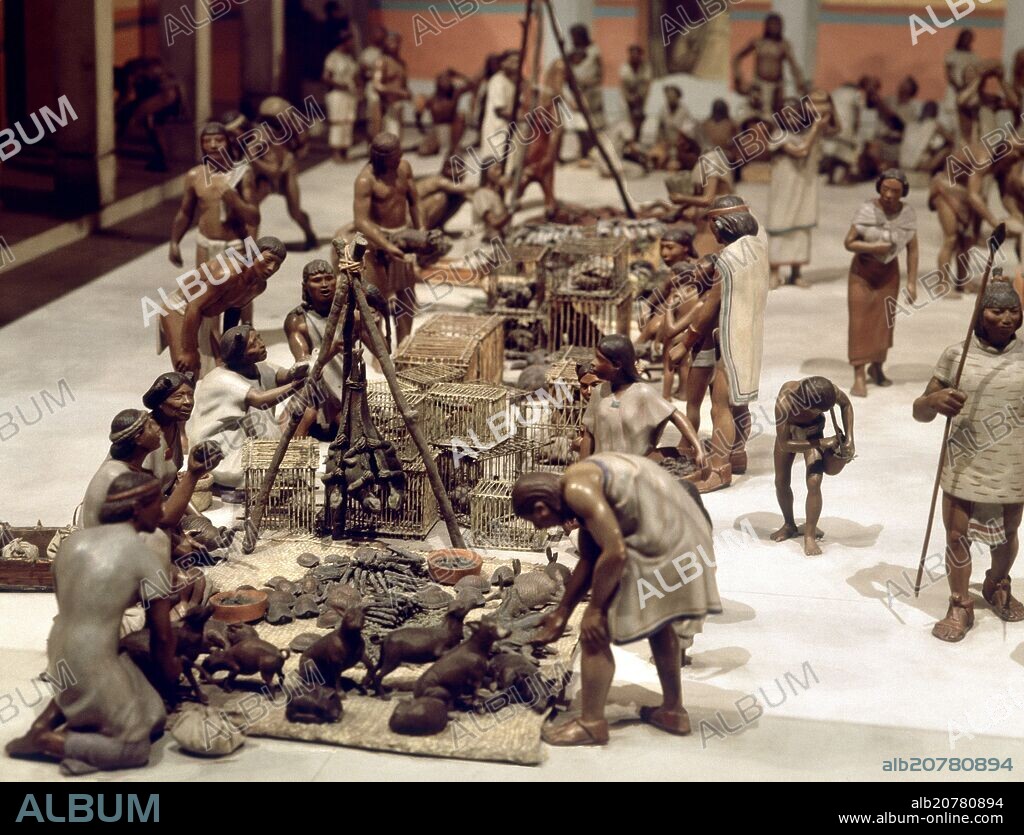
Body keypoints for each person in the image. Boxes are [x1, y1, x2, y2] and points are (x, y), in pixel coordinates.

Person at [511, 454, 722, 745]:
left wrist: (595, 610)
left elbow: (614, 553)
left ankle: (591, 724)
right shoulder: (578, 483)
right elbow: (589, 557)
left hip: (666, 541)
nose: (537, 527)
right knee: (659, 624)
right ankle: (673, 711)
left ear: (540, 505)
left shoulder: (578, 492)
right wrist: (562, 611)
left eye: (534, 519)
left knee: (594, 633)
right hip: (681, 533)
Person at [6, 473, 179, 774]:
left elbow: (67, 606)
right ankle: (45, 740)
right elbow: (161, 638)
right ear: (137, 508)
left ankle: (52, 725)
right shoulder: (146, 556)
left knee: (154, 717)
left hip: (58, 650)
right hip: (93, 659)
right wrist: (171, 675)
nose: (162, 512)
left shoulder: (71, 543)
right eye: (157, 504)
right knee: (133, 747)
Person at [912, 280, 1024, 641]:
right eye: (996, 310)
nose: (1006, 319)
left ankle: (995, 583)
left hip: (1011, 463)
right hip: (964, 463)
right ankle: (960, 602)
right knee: (958, 535)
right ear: (979, 313)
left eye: (1013, 311)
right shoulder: (955, 356)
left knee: (1007, 534)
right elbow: (920, 411)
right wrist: (935, 401)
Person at [672, 195, 770, 492]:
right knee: (739, 402)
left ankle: (719, 468)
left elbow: (709, 308)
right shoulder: (758, 246)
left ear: (721, 223)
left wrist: (684, 343)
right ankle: (737, 453)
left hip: (730, 338)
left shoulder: (728, 258)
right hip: (750, 335)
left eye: (712, 222)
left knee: (720, 407)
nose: (711, 230)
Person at [188, 326, 308, 498]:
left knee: (285, 466)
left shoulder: (256, 368)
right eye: (254, 343)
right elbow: (260, 400)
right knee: (271, 473)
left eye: (259, 338)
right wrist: (295, 386)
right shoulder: (223, 379)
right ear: (239, 354)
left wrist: (297, 371)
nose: (261, 344)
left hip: (248, 441)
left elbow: (281, 375)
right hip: (223, 453)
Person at [158, 235, 287, 379]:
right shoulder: (227, 274)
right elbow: (194, 306)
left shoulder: (259, 286)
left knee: (215, 370)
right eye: (268, 260)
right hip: (180, 309)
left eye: (277, 265)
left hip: (204, 315)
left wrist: (227, 346)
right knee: (188, 370)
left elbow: (234, 309)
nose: (271, 268)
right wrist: (189, 350)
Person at [579, 335, 707, 479]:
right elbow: (588, 435)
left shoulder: (643, 392)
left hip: (634, 473)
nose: (593, 363)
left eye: (600, 359)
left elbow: (676, 415)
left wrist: (697, 447)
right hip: (602, 471)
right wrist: (582, 470)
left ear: (617, 364)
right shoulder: (599, 392)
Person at [846, 169, 918, 397]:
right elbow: (849, 243)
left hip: (889, 274)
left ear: (902, 193)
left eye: (895, 191)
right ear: (879, 187)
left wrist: (913, 282)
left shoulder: (906, 214)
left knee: (884, 323)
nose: (888, 194)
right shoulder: (867, 210)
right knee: (859, 322)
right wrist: (873, 248)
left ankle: (877, 366)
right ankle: (859, 373)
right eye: (885, 189)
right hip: (863, 272)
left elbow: (912, 248)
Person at [771, 377, 855, 557]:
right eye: (819, 410)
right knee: (781, 481)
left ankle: (809, 535)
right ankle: (789, 524)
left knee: (814, 482)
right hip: (791, 437)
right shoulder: (785, 403)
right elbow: (785, 444)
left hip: (813, 433)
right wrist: (822, 442)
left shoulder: (828, 390)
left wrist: (849, 439)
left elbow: (846, 404)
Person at [353, 133, 422, 344]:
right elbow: (361, 222)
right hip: (376, 243)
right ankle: (380, 348)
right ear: (382, 158)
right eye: (395, 155)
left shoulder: (404, 168)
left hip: (402, 236)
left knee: (406, 296)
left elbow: (415, 202)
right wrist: (386, 245)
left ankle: (403, 343)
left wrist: (421, 232)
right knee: (376, 299)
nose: (400, 157)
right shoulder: (366, 180)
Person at [168, 121, 260, 271]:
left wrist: (235, 201)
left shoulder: (242, 174)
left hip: (234, 247)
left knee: (233, 293)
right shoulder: (194, 175)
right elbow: (185, 212)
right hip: (205, 244)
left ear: (228, 142)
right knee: (204, 290)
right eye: (207, 141)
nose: (213, 145)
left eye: (219, 140)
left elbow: (254, 218)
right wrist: (174, 242)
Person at [766, 95, 831, 288]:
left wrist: (822, 115)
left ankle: (796, 272)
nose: (792, 118)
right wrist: (816, 129)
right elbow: (801, 151)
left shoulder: (809, 133)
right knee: (780, 224)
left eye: (796, 113)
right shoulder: (779, 135)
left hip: (804, 188)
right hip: (784, 190)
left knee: (801, 227)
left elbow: (835, 129)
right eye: (787, 115)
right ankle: (774, 272)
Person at [284, 259, 346, 436]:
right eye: (317, 280)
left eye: (329, 278)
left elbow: (381, 350)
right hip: (316, 381)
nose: (325, 285)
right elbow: (304, 364)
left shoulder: (349, 314)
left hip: (346, 380)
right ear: (306, 286)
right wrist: (330, 351)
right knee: (304, 414)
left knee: (347, 423)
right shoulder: (297, 320)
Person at [249, 102, 319, 251]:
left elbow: (301, 150)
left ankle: (310, 234)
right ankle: (249, 250)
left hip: (286, 171)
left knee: (295, 211)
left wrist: (290, 158)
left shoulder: (295, 127)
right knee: (251, 211)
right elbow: (257, 158)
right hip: (265, 175)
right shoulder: (259, 135)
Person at [732, 13, 808, 115]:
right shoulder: (758, 42)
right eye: (772, 24)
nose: (775, 27)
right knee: (756, 113)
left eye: (777, 25)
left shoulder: (784, 45)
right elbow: (737, 57)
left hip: (777, 86)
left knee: (776, 115)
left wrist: (800, 81)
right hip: (759, 84)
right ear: (766, 25)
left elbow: (793, 65)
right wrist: (738, 76)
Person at [416, 69, 472, 158]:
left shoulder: (455, 94)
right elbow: (418, 114)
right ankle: (439, 146)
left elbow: (471, 84)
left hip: (452, 130)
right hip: (437, 131)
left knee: (461, 116)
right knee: (423, 151)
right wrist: (422, 129)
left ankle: (454, 147)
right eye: (443, 80)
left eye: (448, 80)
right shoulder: (432, 99)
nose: (446, 83)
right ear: (438, 83)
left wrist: (457, 74)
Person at [323, 31, 360, 162]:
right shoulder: (333, 57)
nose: (352, 43)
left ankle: (345, 152)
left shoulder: (349, 58)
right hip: (337, 94)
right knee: (338, 122)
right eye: (350, 40)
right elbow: (326, 77)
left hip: (350, 94)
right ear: (344, 41)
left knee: (348, 122)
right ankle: (336, 153)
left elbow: (355, 76)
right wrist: (341, 85)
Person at [479, 50, 519, 165]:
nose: (515, 65)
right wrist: (523, 117)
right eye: (512, 61)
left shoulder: (513, 82)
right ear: (503, 63)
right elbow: (500, 110)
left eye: (517, 62)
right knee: (494, 162)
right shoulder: (497, 81)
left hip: (508, 128)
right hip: (496, 128)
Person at [649, 86, 698, 171]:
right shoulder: (663, 110)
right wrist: (662, 141)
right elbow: (660, 128)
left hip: (680, 145)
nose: (670, 99)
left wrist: (679, 143)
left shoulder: (684, 111)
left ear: (678, 97)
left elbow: (688, 132)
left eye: (673, 96)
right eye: (668, 97)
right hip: (666, 143)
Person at [373, 31, 410, 141]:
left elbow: (404, 85)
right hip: (385, 103)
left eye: (396, 42)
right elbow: (377, 85)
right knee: (388, 135)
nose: (393, 45)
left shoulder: (401, 63)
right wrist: (396, 91)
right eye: (390, 42)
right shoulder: (382, 61)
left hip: (398, 103)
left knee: (397, 134)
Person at [619, 45, 651, 143]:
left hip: (641, 97)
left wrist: (639, 97)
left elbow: (646, 84)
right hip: (627, 96)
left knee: (639, 118)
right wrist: (629, 98)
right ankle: (627, 141)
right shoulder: (624, 67)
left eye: (637, 54)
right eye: (632, 54)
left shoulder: (646, 67)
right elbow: (623, 86)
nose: (635, 57)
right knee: (627, 118)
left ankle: (637, 139)